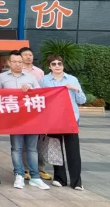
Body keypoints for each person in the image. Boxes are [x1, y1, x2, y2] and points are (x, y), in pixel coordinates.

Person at [0, 51, 49, 190]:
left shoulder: (30, 77)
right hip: (14, 120)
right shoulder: (2, 77)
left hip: (31, 119)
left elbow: (40, 94)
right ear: (9, 63)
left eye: (20, 62)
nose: (17, 64)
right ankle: (19, 175)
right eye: (14, 62)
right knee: (16, 148)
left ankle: (35, 177)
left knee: (32, 149)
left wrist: (30, 89)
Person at [40, 55, 86, 191]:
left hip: (71, 118)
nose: (57, 66)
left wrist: (75, 89)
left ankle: (76, 181)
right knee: (55, 148)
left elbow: (82, 100)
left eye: (59, 63)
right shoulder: (44, 80)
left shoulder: (72, 79)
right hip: (53, 119)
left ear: (63, 65)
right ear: (49, 67)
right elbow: (41, 98)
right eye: (53, 64)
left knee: (73, 149)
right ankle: (59, 178)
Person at [20, 46, 52, 181]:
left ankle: (40, 168)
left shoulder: (39, 72)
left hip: (38, 110)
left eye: (30, 55)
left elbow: (44, 91)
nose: (28, 57)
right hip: (22, 110)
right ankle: (25, 169)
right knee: (24, 142)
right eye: (25, 55)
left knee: (40, 141)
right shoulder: (17, 71)